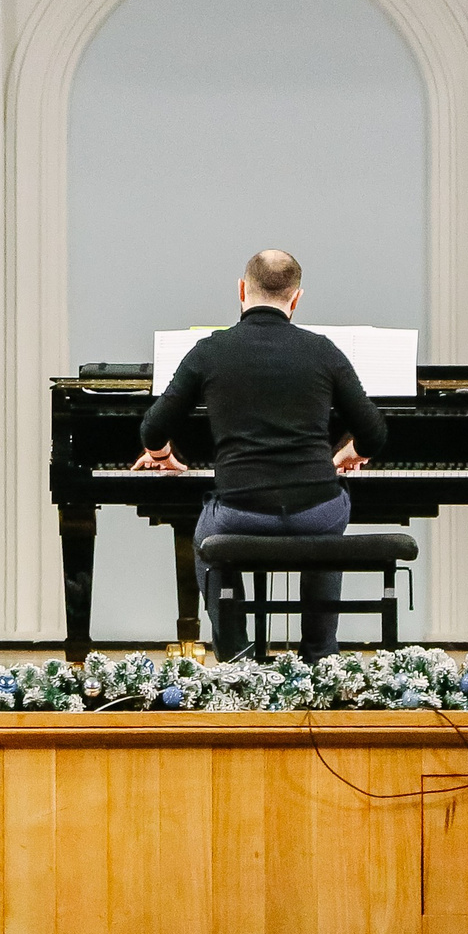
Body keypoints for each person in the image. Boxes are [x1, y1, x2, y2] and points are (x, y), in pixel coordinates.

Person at [135, 249, 387, 661]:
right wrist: (346, 455)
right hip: (315, 508)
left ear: (241, 290)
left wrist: (163, 455)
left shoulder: (210, 351)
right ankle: (320, 654)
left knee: (207, 537)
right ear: (296, 298)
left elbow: (152, 428)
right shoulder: (323, 351)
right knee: (328, 521)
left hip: (240, 510)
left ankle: (236, 657)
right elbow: (375, 435)